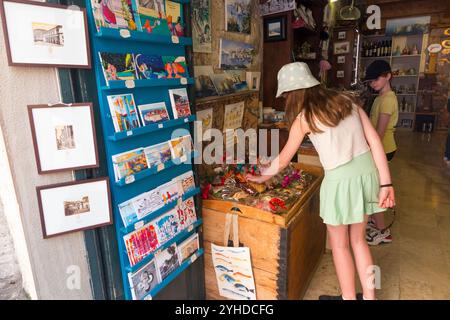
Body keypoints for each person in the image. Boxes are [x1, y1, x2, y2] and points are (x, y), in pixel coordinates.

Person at [247, 62, 395, 300]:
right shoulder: (348, 102)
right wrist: (386, 183)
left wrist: (260, 176)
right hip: (367, 173)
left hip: (339, 180)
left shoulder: (304, 119)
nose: (285, 100)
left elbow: (283, 160)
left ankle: (348, 298)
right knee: (359, 241)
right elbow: (375, 142)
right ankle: (369, 298)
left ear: (293, 93)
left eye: (285, 95)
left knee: (340, 245)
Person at [363, 60, 398, 245]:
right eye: (370, 81)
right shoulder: (380, 98)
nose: (372, 84)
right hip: (381, 148)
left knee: (375, 191)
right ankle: (377, 222)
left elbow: (379, 133)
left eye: (376, 79)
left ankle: (383, 231)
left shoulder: (388, 100)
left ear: (388, 76)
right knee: (374, 188)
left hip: (383, 149)